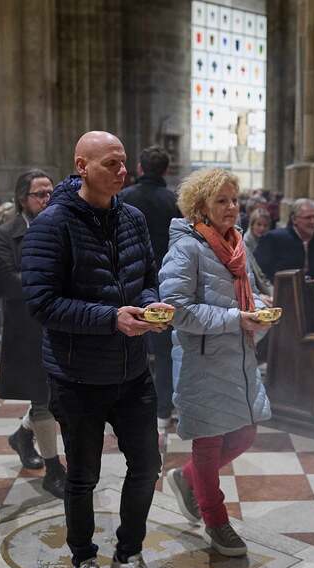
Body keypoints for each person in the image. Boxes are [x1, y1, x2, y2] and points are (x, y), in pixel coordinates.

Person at [21, 131, 169, 568]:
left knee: (147, 465)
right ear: (81, 166)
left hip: (132, 370)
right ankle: (84, 560)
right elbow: (41, 303)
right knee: (83, 475)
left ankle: (128, 555)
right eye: (111, 164)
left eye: (124, 163)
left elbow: (147, 277)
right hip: (77, 375)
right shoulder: (52, 224)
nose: (122, 172)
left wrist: (150, 306)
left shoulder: (133, 217)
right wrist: (110, 318)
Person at [159, 167, 272, 557]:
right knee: (208, 443)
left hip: (239, 357)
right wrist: (236, 318)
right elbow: (176, 309)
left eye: (234, 200)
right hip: (202, 361)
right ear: (200, 206)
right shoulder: (187, 248)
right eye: (221, 200)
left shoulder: (237, 244)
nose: (231, 207)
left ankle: (186, 478)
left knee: (244, 434)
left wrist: (259, 309)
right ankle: (216, 521)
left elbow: (245, 295)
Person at [0, 169, 66, 498]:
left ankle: (23, 435)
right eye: (40, 194)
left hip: (63, 323)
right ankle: (54, 470)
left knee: (58, 396)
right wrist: (47, 283)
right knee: (43, 397)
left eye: (51, 192)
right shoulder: (4, 233)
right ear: (23, 199)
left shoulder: (64, 227)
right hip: (28, 328)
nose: (48, 199)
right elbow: (3, 281)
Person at [119, 145, 183, 431]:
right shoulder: (173, 201)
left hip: (128, 281)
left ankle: (126, 409)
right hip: (164, 283)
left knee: (126, 346)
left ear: (139, 168)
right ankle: (163, 410)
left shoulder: (123, 198)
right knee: (165, 350)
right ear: (166, 170)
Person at [254, 198, 314, 280]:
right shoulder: (274, 239)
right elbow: (259, 271)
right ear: (294, 219)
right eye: (308, 217)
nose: (313, 221)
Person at [243, 208, 273, 297]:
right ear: (252, 225)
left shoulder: (268, 240)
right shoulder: (246, 242)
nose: (262, 228)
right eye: (259, 224)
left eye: (265, 225)